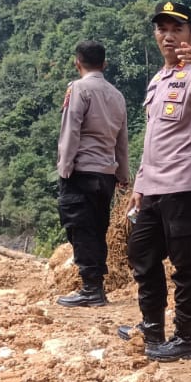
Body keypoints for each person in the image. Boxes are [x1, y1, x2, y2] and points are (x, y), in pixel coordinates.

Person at [117, 1, 191, 360]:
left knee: (185, 262)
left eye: (177, 29)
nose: (168, 36)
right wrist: (139, 185)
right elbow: (153, 140)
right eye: (162, 29)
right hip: (153, 187)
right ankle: (151, 329)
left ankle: (185, 339)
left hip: (186, 186)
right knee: (141, 255)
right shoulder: (157, 80)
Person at [55, 40, 130, 308]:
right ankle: (95, 287)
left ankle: (91, 290)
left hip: (81, 172)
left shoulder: (78, 89)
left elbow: (71, 130)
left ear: (78, 62)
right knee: (97, 229)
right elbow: (122, 140)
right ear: (104, 64)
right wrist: (123, 174)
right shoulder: (117, 96)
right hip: (106, 175)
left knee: (80, 229)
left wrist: (64, 170)